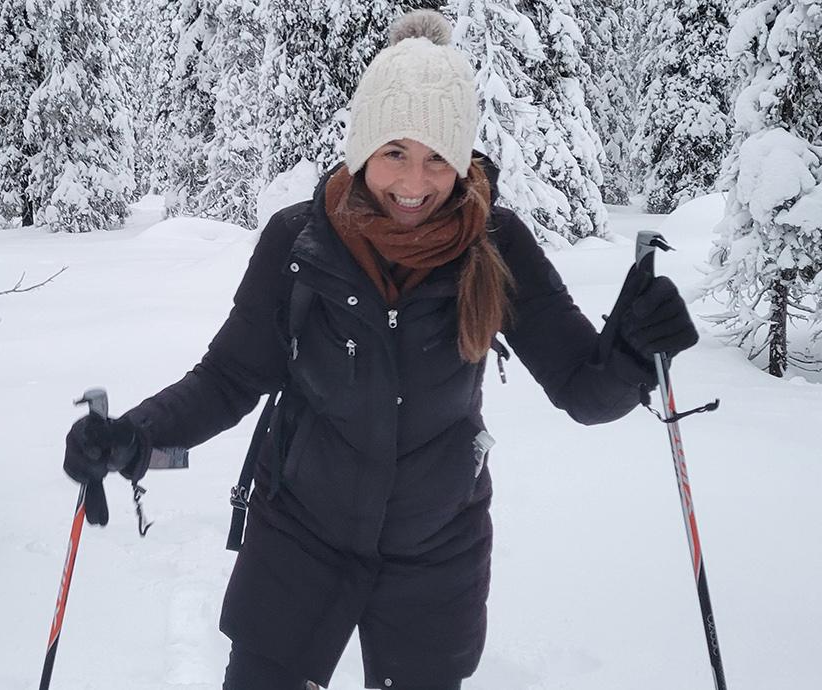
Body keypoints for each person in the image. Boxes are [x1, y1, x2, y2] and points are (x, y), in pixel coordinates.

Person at [63, 10, 698, 690]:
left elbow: (582, 387)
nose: (414, 183)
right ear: (362, 149)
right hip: (300, 534)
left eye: (436, 159)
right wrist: (135, 436)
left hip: (435, 550)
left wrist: (634, 352)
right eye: (395, 152)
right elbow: (229, 376)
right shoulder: (300, 242)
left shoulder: (496, 243)